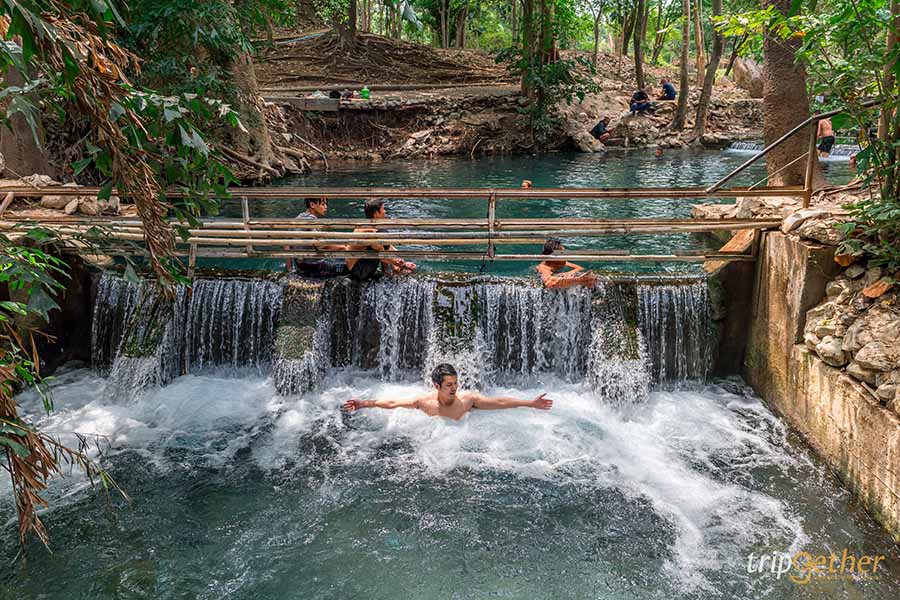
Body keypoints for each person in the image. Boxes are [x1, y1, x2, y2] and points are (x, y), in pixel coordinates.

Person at [342, 363, 553, 420]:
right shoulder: (424, 402)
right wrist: (364, 404)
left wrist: (530, 403)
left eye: (455, 383)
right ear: (436, 386)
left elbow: (498, 402)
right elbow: (393, 404)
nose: (454, 388)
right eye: (449, 385)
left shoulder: (468, 400)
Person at [345, 198, 416, 282]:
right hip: (358, 273)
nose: (385, 212)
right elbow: (382, 255)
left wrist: (400, 260)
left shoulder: (367, 226)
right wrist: (402, 265)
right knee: (382, 242)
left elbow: (388, 247)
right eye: (383, 209)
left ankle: (387, 272)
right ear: (376, 213)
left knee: (383, 239)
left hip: (359, 268)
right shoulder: (369, 233)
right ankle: (387, 273)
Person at [285, 197, 348, 278]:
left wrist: (291, 271)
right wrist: (344, 247)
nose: (326, 207)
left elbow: (286, 246)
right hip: (316, 268)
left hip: (301, 268)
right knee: (346, 268)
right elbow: (321, 245)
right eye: (323, 204)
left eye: (326, 204)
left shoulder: (296, 219)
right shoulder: (313, 221)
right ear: (312, 205)